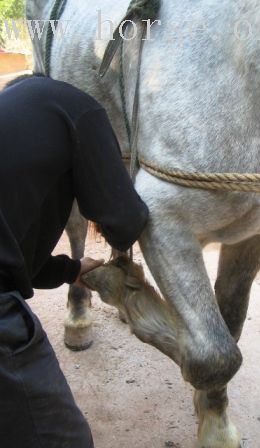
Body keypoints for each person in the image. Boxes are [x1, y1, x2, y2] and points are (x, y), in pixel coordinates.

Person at [0, 73, 149, 448]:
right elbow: (124, 221)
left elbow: (15, 248)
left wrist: (71, 271)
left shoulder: (13, 112)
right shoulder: (82, 110)